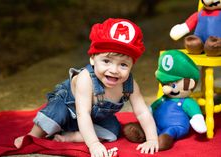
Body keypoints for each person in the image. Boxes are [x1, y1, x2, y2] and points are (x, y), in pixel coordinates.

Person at [14, 18, 159, 156]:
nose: (114, 69)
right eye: (107, 61)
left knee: (113, 131)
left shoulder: (129, 85)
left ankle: (74, 136)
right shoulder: (86, 78)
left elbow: (142, 112)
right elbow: (82, 113)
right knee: (54, 114)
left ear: (132, 65)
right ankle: (32, 135)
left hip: (94, 118)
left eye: (123, 64)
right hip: (69, 107)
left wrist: (152, 139)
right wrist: (94, 144)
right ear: (92, 59)